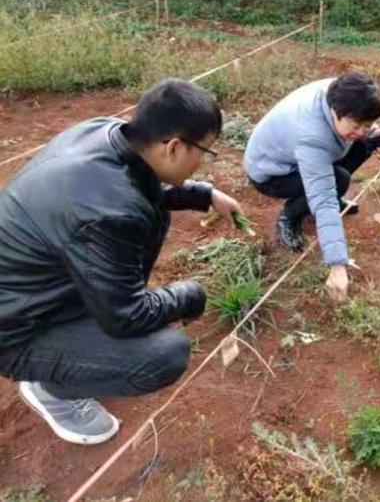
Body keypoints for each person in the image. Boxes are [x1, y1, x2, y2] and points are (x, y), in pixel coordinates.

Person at [0, 79, 244, 445]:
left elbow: (133, 184)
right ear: (174, 147)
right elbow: (127, 316)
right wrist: (190, 295)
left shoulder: (104, 132)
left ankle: (73, 357)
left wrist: (202, 194)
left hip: (32, 289)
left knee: (120, 295)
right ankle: (52, 390)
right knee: (164, 355)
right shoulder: (110, 214)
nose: (203, 161)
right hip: (15, 330)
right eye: (205, 152)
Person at [244, 71, 380, 303]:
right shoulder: (311, 136)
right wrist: (337, 265)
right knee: (336, 182)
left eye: (367, 123)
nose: (362, 129)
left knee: (365, 143)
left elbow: (360, 125)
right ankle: (289, 216)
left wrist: (372, 132)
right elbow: (323, 197)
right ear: (336, 111)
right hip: (271, 173)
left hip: (298, 155)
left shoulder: (341, 92)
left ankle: (324, 193)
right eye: (357, 124)